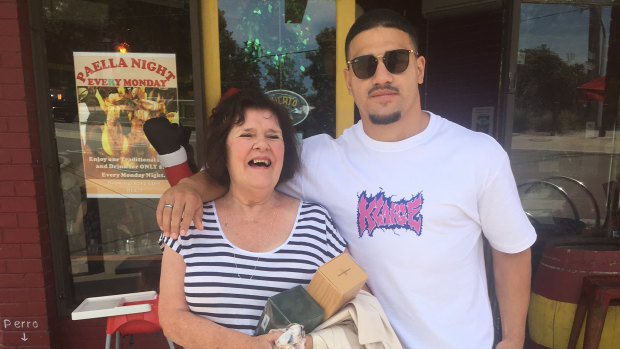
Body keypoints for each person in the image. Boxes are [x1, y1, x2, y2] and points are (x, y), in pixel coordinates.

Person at [157, 9, 536, 349]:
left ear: (419, 68)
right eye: (365, 65)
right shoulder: (319, 158)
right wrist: (190, 187)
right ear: (348, 79)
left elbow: (512, 250)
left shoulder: (477, 154)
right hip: (369, 343)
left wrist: (513, 340)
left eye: (396, 61)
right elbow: (246, 172)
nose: (382, 75)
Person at [157, 90, 347, 348]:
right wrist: (249, 345)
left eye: (273, 136)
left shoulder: (316, 222)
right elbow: (171, 317)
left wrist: (309, 343)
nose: (262, 144)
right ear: (223, 150)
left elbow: (356, 304)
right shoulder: (187, 219)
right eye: (247, 134)